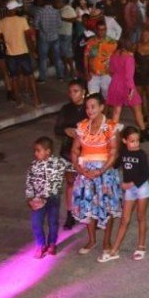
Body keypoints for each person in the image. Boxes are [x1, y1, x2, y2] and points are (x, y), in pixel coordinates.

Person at [70, 93, 123, 256]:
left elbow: (114, 152)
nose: (89, 110)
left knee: (107, 207)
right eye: (87, 107)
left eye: (93, 106)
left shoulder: (110, 127)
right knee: (88, 207)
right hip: (86, 174)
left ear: (102, 107)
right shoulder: (82, 126)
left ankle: (106, 241)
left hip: (104, 174)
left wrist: (101, 170)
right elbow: (74, 150)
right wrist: (81, 170)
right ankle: (92, 240)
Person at [101, 126, 149, 262]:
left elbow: (146, 174)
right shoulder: (123, 154)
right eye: (132, 141)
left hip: (141, 188)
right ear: (124, 141)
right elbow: (114, 165)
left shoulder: (141, 154)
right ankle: (115, 250)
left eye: (137, 141)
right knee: (124, 219)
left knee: (141, 217)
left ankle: (141, 246)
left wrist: (131, 184)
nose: (135, 144)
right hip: (129, 190)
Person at [24, 136, 70, 258]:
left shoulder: (59, 163)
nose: (36, 153)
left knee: (53, 222)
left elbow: (73, 166)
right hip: (38, 199)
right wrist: (30, 198)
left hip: (53, 197)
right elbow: (29, 182)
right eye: (35, 150)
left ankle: (52, 244)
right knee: (36, 223)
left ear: (48, 151)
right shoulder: (33, 166)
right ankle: (40, 245)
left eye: (39, 150)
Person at [54, 79, 87, 230]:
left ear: (83, 92)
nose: (72, 94)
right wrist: (66, 130)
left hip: (86, 151)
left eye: (76, 91)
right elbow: (57, 129)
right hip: (68, 151)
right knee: (70, 182)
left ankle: (88, 212)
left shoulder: (89, 107)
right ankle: (70, 213)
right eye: (70, 92)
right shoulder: (65, 109)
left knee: (88, 182)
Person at [0, 1, 42, 107]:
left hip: (10, 54)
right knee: (30, 76)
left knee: (14, 78)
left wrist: (7, 41)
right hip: (23, 52)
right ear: (14, 10)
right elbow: (28, 37)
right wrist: (33, 51)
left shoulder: (2, 22)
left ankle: (18, 101)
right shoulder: (22, 20)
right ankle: (36, 99)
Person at [107, 35, 149, 139]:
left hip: (115, 84)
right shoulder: (129, 57)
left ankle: (111, 135)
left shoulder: (113, 55)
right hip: (126, 86)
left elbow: (111, 70)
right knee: (137, 109)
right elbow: (129, 76)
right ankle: (144, 132)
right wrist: (131, 90)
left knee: (116, 111)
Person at [34, 0, 64, 82]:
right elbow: (60, 24)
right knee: (57, 57)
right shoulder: (56, 12)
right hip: (55, 37)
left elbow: (36, 25)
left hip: (43, 38)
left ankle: (42, 78)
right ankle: (60, 76)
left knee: (43, 58)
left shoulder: (39, 11)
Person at [84, 22, 117, 99]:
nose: (101, 31)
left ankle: (105, 111)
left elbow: (115, 58)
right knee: (92, 97)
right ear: (96, 30)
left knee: (108, 97)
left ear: (106, 30)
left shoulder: (112, 42)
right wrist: (86, 71)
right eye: (99, 29)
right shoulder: (90, 42)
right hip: (93, 75)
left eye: (103, 29)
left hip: (107, 75)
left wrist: (113, 72)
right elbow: (86, 57)